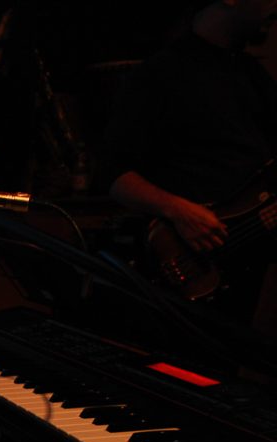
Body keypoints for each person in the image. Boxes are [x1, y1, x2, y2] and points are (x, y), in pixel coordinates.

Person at [103, 0, 277, 328]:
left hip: (254, 273)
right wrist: (179, 211)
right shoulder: (160, 74)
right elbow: (114, 177)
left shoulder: (253, 75)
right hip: (194, 274)